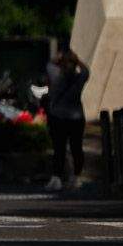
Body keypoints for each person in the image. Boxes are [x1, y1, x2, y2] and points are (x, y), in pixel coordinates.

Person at [40, 52, 83, 190]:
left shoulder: (57, 76)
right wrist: (78, 60)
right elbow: (87, 71)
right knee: (76, 148)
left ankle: (57, 178)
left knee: (59, 148)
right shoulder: (79, 78)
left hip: (59, 117)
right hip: (76, 117)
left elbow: (49, 64)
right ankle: (76, 177)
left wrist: (58, 58)